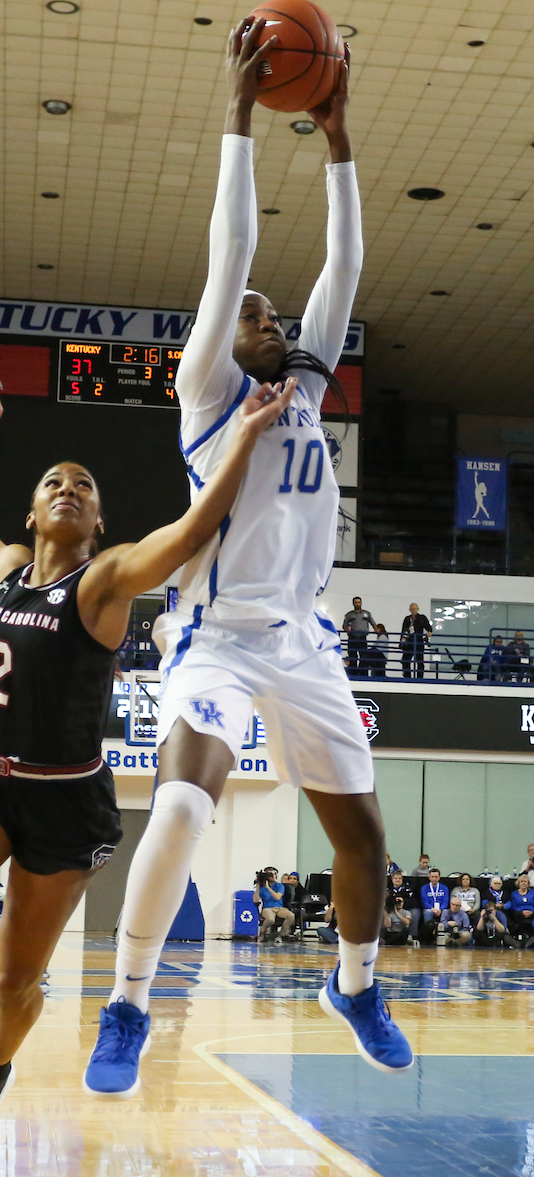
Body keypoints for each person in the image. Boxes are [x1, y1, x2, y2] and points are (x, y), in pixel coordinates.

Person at [84, 21, 412, 1097]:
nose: (261, 316)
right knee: (178, 808)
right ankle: (128, 1004)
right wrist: (235, 113)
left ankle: (353, 985)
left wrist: (338, 141)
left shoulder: (307, 393)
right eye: (248, 315)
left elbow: (346, 263)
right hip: (216, 644)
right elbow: (231, 257)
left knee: (363, 843)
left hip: (306, 646)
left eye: (271, 314)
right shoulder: (204, 399)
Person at [0, 360, 289, 1143]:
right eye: (54, 481)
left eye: (83, 486)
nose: (67, 488)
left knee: (16, 975)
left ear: (96, 522)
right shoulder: (11, 569)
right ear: (33, 511)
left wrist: (248, 442)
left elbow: (192, 533)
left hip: (65, 797)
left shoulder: (106, 580)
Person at [253, 868, 294, 943]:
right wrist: (258, 886)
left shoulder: (280, 886)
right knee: (270, 919)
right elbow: (255, 900)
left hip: (279, 907)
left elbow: (277, 897)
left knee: (291, 915)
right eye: (270, 874)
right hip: (267, 908)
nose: (273, 876)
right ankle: (262, 931)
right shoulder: (262, 888)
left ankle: (281, 935)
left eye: (274, 874)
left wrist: (268, 887)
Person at [342, 597, 376, 679]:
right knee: (352, 656)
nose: (357, 604)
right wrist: (347, 629)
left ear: (361, 603)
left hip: (362, 638)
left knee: (363, 656)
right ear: (353, 603)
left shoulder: (367, 614)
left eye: (359, 602)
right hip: (352, 637)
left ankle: (363, 674)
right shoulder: (349, 615)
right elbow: (344, 626)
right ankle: (352, 674)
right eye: (356, 602)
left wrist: (378, 632)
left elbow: (373, 624)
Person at [400, 603, 431, 679]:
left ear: (418, 609)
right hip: (409, 643)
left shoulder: (422, 618)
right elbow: (403, 630)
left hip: (418, 642)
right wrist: (402, 642)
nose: (413, 610)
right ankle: (407, 677)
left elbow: (429, 628)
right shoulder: (407, 619)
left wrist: (428, 633)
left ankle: (419, 678)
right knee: (405, 660)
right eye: (412, 609)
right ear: (410, 610)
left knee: (419, 661)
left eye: (415, 609)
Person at [388, 870, 420, 940]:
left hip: (406, 908)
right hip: (391, 909)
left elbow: (411, 901)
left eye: (400, 878)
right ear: (392, 879)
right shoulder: (389, 889)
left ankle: (412, 936)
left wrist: (401, 903)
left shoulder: (408, 888)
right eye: (396, 878)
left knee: (415, 912)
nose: (398, 880)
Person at [419, 868, 449, 944]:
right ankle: (428, 935)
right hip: (430, 908)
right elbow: (424, 901)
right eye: (433, 877)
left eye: (436, 877)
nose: (434, 879)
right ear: (429, 878)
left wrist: (440, 909)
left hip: (441, 909)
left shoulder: (444, 888)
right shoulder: (424, 888)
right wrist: (432, 909)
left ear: (439, 877)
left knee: (446, 912)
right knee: (428, 912)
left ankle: (444, 935)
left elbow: (445, 901)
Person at [506, 875, 534, 947]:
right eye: (521, 881)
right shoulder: (514, 894)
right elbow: (513, 906)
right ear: (518, 883)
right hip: (519, 913)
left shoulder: (532, 893)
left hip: (532, 913)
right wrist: (522, 912)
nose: (523, 883)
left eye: (525, 882)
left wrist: (531, 912)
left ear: (528, 883)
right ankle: (520, 938)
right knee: (516, 914)